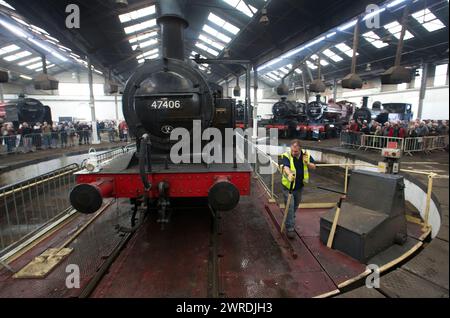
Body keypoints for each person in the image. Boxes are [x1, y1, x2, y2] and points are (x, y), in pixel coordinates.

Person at [280, 139, 316, 239]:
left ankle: (289, 218)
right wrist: (289, 174)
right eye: (292, 150)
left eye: (295, 151)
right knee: (290, 207)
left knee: (295, 206)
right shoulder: (287, 155)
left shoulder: (306, 155)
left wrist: (307, 163)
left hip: (299, 186)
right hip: (288, 187)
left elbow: (314, 167)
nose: (293, 153)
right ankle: (290, 228)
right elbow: (286, 167)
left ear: (300, 149)